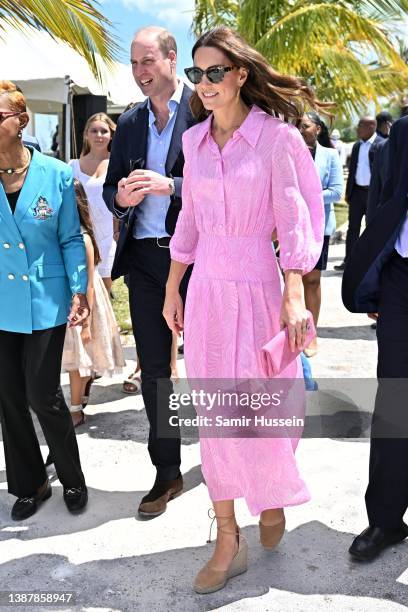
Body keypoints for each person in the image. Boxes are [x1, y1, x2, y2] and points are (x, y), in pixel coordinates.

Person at [163, 26, 325, 593]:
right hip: (207, 288)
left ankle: (272, 491)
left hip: (259, 284)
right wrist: (172, 284)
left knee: (265, 412)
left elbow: (295, 217)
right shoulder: (192, 142)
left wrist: (293, 288)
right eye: (195, 73)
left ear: (239, 75)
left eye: (213, 72)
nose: (203, 84)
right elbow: (188, 220)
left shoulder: (278, 138)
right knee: (216, 418)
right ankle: (228, 538)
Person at [103, 26, 196, 517]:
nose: (140, 73)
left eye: (147, 62)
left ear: (171, 58)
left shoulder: (204, 109)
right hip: (143, 259)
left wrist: (171, 185)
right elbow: (111, 188)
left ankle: (234, 462)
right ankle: (167, 472)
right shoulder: (131, 120)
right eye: (134, 64)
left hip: (199, 260)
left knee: (211, 366)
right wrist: (119, 198)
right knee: (156, 371)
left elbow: (220, 181)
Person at [0, 80, 89, 520]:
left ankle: (71, 477)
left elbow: (71, 237)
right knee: (8, 395)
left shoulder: (55, 173)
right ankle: (30, 483)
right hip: (1, 301)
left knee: (42, 393)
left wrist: (79, 288)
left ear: (21, 121)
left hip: (45, 298)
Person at [342, 115, 408, 561]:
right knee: (396, 401)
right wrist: (376, 275)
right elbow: (384, 203)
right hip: (402, 278)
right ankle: (385, 519)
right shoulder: (402, 133)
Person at [62, 179, 126, 426]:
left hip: (85, 305)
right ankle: (81, 394)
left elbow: (88, 283)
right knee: (75, 359)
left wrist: (86, 322)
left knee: (77, 360)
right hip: (71, 303)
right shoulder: (66, 234)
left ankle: (76, 409)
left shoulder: (83, 238)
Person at [299, 112, 343, 357]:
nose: (300, 129)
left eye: (305, 125)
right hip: (291, 227)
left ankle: (310, 334)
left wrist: (304, 197)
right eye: (298, 125)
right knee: (290, 281)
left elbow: (336, 192)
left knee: (312, 280)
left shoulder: (330, 155)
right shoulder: (289, 152)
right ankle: (292, 330)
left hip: (318, 227)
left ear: (317, 129)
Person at [70, 113, 118, 294]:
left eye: (104, 131)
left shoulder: (117, 164)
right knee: (82, 287)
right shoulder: (72, 166)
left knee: (105, 289)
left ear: (111, 135)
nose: (99, 135)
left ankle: (105, 323)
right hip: (81, 234)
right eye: (94, 130)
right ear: (86, 135)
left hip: (108, 234)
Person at [334, 117, 383, 271]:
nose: (357, 128)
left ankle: (370, 262)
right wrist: (349, 193)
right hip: (357, 194)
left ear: (372, 126)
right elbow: (353, 170)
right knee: (353, 229)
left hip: (373, 194)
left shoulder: (381, 145)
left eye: (360, 125)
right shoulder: (356, 146)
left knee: (371, 228)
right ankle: (349, 261)